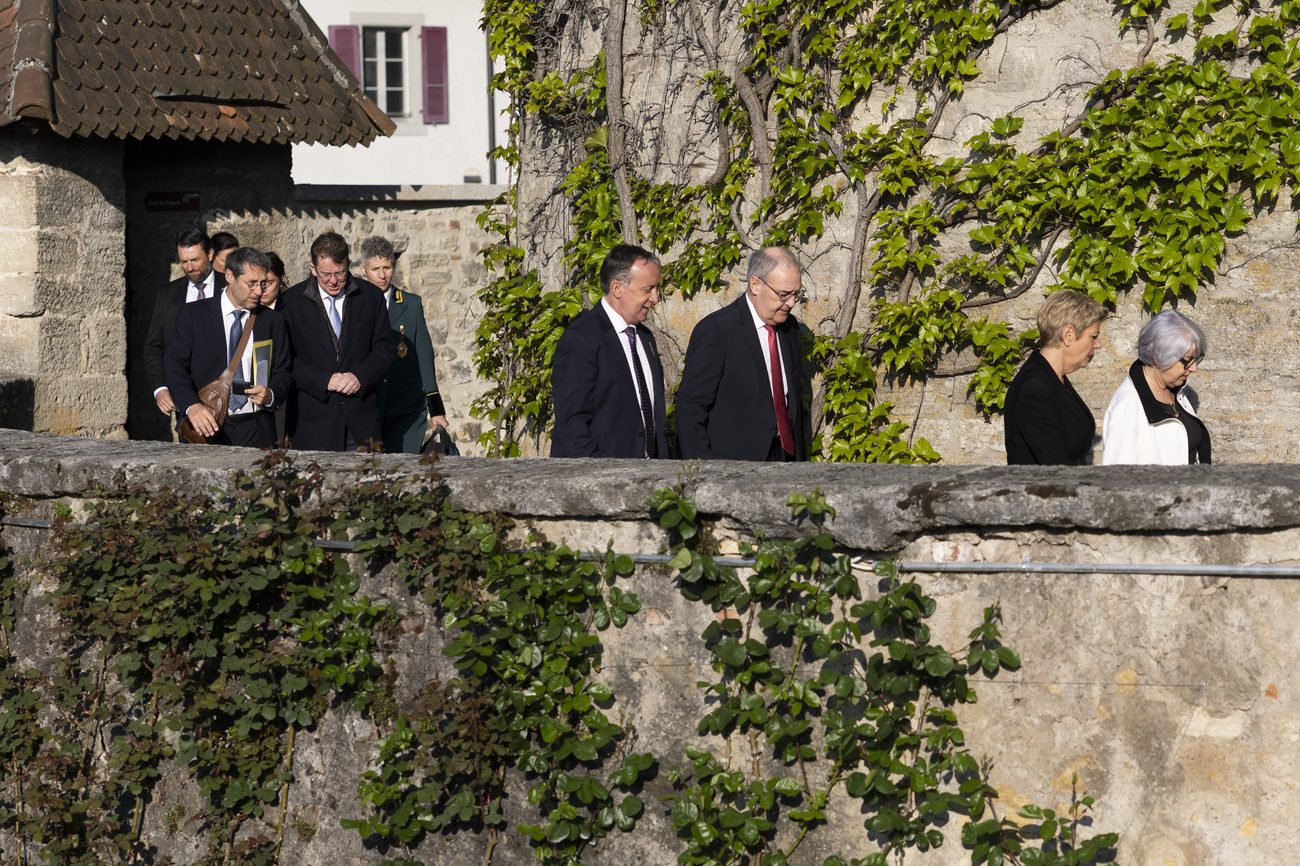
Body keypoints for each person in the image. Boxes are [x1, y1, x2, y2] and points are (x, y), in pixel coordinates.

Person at [676, 246, 812, 461]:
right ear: (756, 284)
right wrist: (704, 475)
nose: (791, 303)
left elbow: (790, 400)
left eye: (796, 294)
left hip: (785, 458)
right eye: (784, 295)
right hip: (733, 465)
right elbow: (690, 409)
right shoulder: (716, 331)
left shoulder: (789, 328)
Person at [163, 247, 291, 448]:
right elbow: (174, 366)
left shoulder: (272, 321)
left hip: (256, 428)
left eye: (263, 283)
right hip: (205, 425)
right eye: (251, 284)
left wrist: (271, 393)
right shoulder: (195, 315)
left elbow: (284, 371)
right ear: (230, 276)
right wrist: (191, 406)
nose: (259, 291)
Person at [551, 244, 670, 458]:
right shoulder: (581, 339)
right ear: (617, 289)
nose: (655, 298)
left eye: (656, 289)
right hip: (604, 483)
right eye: (647, 289)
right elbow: (572, 425)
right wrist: (605, 480)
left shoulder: (645, 338)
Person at [281, 232, 394, 451]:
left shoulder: (371, 297)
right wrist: (324, 380)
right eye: (326, 274)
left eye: (340, 273)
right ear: (313, 268)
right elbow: (286, 360)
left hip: (360, 421)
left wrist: (360, 376)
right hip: (313, 424)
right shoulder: (291, 303)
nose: (333, 281)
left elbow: (384, 348)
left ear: (349, 264)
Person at [361, 236, 448, 453]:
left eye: (387, 267)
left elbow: (424, 356)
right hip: (367, 407)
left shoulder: (411, 304)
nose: (382, 275)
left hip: (406, 407)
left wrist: (436, 410)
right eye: (375, 269)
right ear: (363, 269)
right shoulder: (354, 305)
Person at [1003, 290, 1109, 465]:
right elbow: (1056, 464)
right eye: (1094, 336)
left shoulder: (1053, 377)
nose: (1098, 345)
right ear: (1068, 335)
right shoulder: (1034, 389)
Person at [1102, 310, 1210, 465]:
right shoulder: (1128, 406)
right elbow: (1116, 477)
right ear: (1158, 356)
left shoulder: (1173, 390)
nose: (1194, 368)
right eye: (1187, 361)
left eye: (1196, 360)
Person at [143, 228, 227, 417]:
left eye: (195, 260)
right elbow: (153, 347)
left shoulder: (229, 288)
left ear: (210, 253)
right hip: (184, 398)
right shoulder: (168, 294)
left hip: (225, 396)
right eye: (184, 262)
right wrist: (160, 388)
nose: (190, 267)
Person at [262, 252, 288, 445]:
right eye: (258, 282)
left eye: (269, 282)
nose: (262, 289)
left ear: (281, 280)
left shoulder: (291, 310)